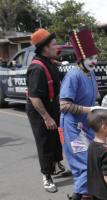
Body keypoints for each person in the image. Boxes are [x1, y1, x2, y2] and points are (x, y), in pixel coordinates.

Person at [59, 27, 106, 200]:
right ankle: (79, 196)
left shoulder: (90, 74)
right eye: (90, 58)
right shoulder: (73, 75)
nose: (94, 61)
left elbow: (93, 98)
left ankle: (85, 195)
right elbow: (64, 105)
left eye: (95, 58)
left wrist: (100, 105)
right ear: (81, 59)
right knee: (84, 165)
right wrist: (89, 109)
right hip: (72, 127)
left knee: (94, 162)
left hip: (87, 126)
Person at [26, 28, 66, 193]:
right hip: (39, 109)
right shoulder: (36, 68)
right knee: (44, 142)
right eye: (54, 44)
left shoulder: (49, 62)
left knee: (57, 137)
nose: (57, 47)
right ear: (45, 48)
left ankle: (56, 164)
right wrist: (46, 117)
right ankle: (46, 176)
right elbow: (34, 97)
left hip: (52, 104)